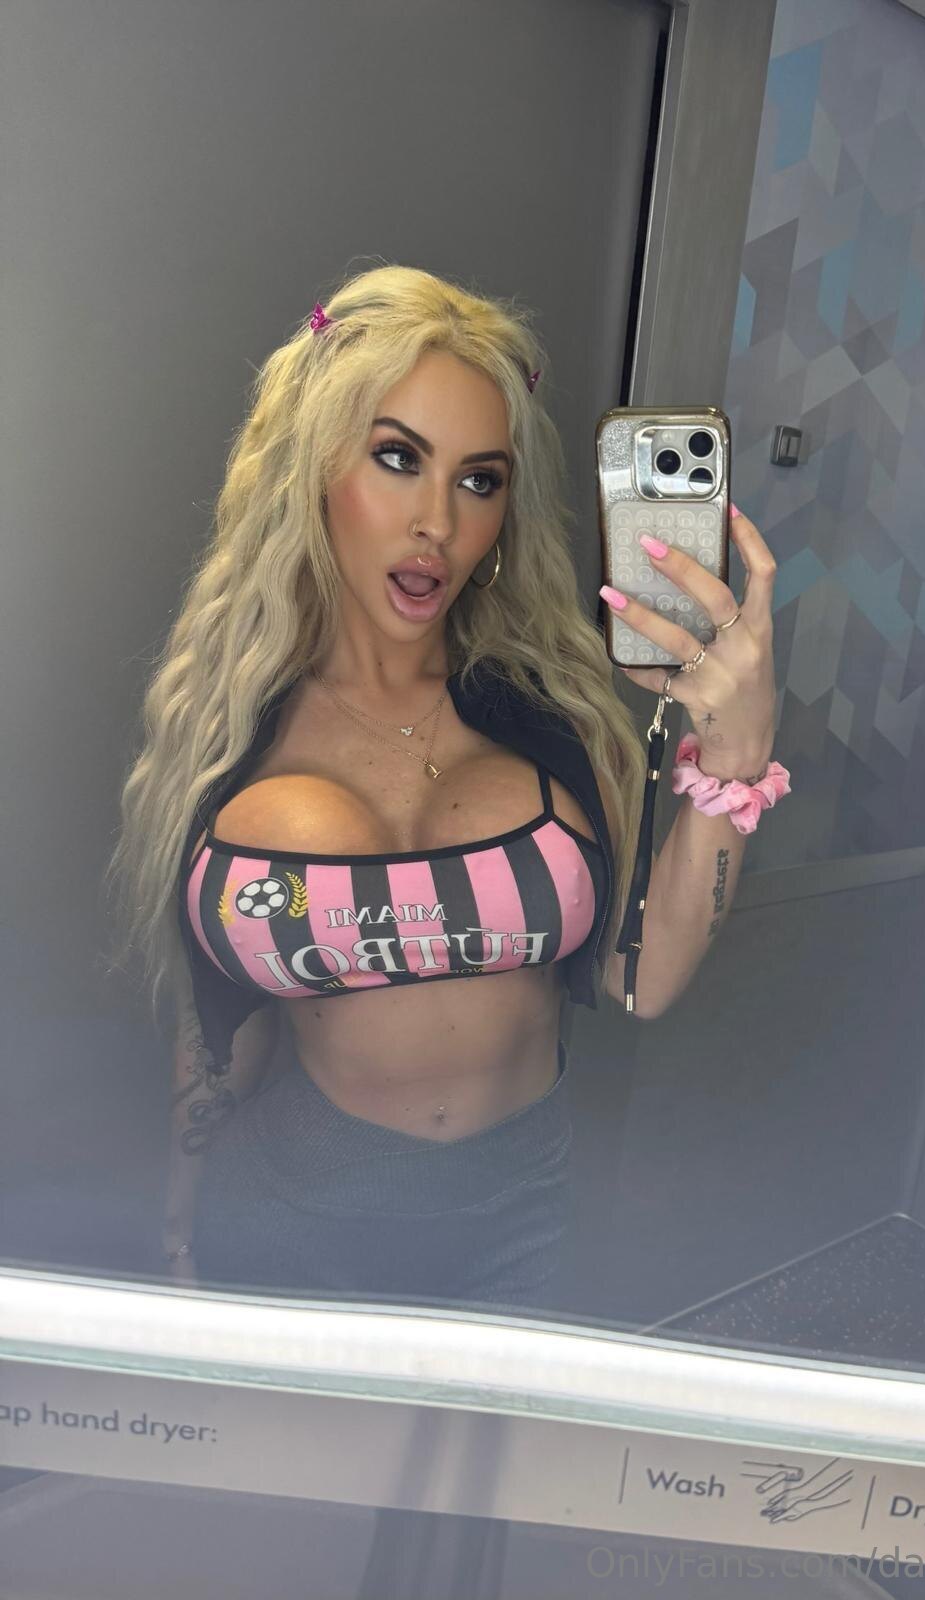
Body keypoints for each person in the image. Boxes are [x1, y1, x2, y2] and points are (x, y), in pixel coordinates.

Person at [104, 263, 784, 1312]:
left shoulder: (559, 718)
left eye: (479, 480)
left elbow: (641, 981)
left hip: (522, 1224)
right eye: (396, 458)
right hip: (282, 1217)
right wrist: (177, 1236)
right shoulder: (229, 729)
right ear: (313, 469)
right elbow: (216, 1029)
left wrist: (733, 762)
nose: (439, 521)